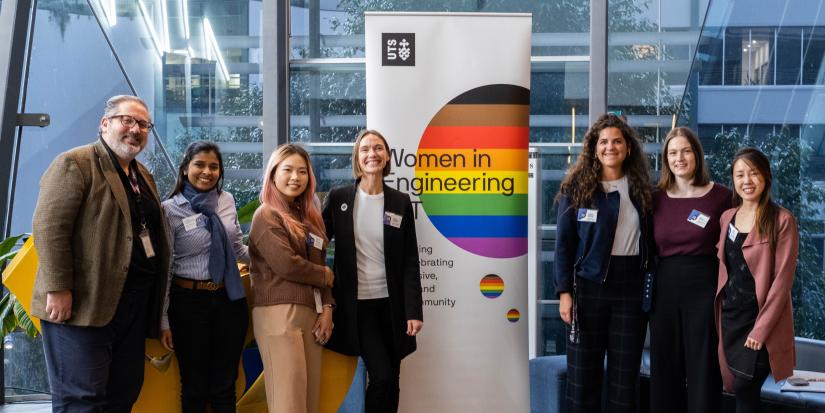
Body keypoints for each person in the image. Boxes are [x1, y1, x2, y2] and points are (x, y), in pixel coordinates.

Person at [31, 95, 171, 412]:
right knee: (82, 399)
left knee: (123, 392)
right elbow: (49, 226)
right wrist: (58, 288)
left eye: (143, 124)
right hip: (83, 304)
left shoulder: (142, 175)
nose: (136, 129)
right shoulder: (75, 163)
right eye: (128, 120)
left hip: (131, 306)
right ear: (105, 123)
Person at [554, 113, 653, 412]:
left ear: (628, 148)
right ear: (594, 148)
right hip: (588, 289)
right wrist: (564, 294)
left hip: (631, 291)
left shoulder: (642, 190)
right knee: (582, 379)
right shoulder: (577, 190)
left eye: (618, 141)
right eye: (604, 141)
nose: (611, 147)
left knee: (625, 383)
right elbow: (563, 246)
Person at [322, 129, 423, 413]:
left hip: (393, 306)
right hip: (358, 307)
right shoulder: (339, 198)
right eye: (365, 149)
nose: (372, 154)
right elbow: (315, 245)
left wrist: (413, 310)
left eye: (378, 148)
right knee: (382, 375)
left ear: (387, 156)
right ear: (357, 158)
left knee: (393, 379)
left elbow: (409, 259)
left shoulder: (399, 201)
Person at [159, 141, 249, 412]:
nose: (207, 171)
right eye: (200, 165)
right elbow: (166, 268)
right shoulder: (170, 209)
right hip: (188, 302)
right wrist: (163, 320)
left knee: (225, 384)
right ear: (185, 169)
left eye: (214, 166)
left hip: (229, 300)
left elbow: (236, 249)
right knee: (194, 387)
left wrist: (272, 257)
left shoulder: (227, 200)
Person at [248, 143, 335, 413]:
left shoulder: (309, 218)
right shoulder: (266, 215)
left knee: (309, 402)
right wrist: (326, 276)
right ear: (273, 174)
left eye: (302, 171)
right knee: (288, 403)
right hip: (278, 313)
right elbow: (287, 265)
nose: (295, 177)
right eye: (287, 170)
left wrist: (328, 308)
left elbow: (318, 263)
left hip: (312, 314)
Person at [649, 127, 730, 413]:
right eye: (672, 153)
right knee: (664, 369)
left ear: (696, 154)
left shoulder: (721, 197)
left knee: (703, 367)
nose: (679, 158)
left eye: (685, 151)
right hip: (664, 290)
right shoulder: (654, 198)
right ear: (665, 159)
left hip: (704, 289)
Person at [715, 147, 798, 413]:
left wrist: (760, 331)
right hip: (731, 318)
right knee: (736, 388)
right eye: (740, 175)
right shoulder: (727, 218)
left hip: (760, 320)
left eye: (753, 173)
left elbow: (782, 282)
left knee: (745, 388)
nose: (747, 181)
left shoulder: (782, 220)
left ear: (766, 177)